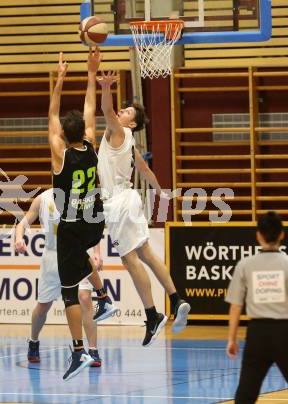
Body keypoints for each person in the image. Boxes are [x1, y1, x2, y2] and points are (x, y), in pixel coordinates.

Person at [96, 71, 190, 347]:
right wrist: (161, 191)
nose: (121, 112)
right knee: (146, 252)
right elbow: (145, 168)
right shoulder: (130, 141)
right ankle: (176, 298)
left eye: (126, 111)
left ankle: (152, 315)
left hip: (118, 203)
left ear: (131, 122)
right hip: (132, 198)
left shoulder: (117, 131)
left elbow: (105, 108)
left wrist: (105, 87)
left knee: (129, 260)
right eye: (122, 109)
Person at [48, 48, 117, 381]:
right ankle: (104, 296)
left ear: (63, 134)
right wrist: (92, 73)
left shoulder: (59, 153)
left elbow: (51, 116)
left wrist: (59, 82)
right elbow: (90, 109)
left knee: (68, 292)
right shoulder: (90, 145)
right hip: (96, 222)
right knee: (80, 261)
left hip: (73, 225)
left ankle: (78, 352)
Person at [15, 188, 103, 367]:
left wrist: (97, 252)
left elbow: (91, 228)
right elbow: (22, 224)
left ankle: (93, 350)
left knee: (85, 298)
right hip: (52, 256)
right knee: (43, 306)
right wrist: (19, 238)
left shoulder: (79, 198)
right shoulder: (42, 199)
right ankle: (33, 341)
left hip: (76, 253)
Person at [226, 211, 288, 403]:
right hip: (285, 333)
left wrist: (231, 339)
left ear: (258, 235)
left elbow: (236, 306)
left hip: (257, 335)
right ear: (281, 235)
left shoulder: (245, 265)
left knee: (245, 394)